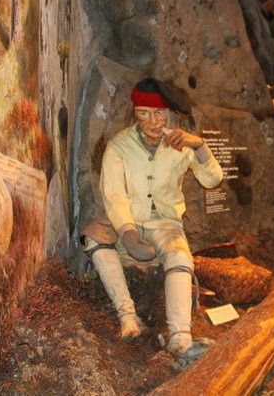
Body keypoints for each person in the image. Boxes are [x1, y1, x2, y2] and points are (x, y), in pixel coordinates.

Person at [80, 78, 223, 364]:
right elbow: (114, 194)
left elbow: (212, 180)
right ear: (134, 113)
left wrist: (199, 146)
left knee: (179, 256)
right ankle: (128, 317)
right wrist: (128, 234)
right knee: (93, 236)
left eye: (159, 113)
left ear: (169, 113)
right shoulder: (120, 145)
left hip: (166, 223)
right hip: (129, 220)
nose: (152, 121)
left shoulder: (181, 143)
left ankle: (180, 339)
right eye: (143, 113)